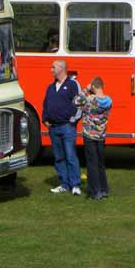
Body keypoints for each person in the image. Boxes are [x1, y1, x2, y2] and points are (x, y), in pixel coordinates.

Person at [42, 60, 82, 195]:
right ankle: (64, 184)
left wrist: (72, 121)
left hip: (67, 127)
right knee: (59, 157)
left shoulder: (72, 84)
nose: (51, 70)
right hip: (53, 128)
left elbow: (80, 103)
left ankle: (75, 184)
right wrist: (45, 120)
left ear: (61, 68)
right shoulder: (50, 87)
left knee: (70, 156)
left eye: (53, 67)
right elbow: (45, 104)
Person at [74, 77, 113, 200]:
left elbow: (75, 101)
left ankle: (95, 192)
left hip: (89, 135)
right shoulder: (109, 101)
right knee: (100, 163)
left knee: (92, 164)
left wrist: (86, 89)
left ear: (94, 87)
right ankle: (104, 189)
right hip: (101, 135)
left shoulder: (90, 100)